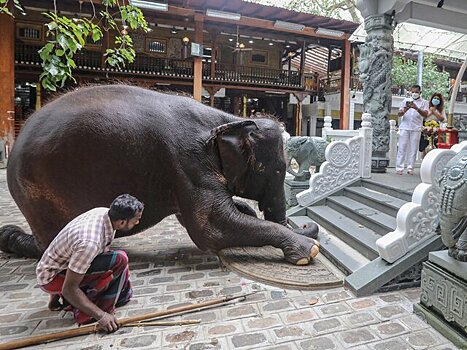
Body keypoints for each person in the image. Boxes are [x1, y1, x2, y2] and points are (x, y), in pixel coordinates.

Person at [36, 194, 144, 332]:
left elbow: (68, 256)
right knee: (119, 260)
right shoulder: (90, 242)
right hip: (52, 279)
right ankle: (86, 313)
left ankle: (76, 298)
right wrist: (101, 316)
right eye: (136, 220)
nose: (137, 223)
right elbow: (69, 289)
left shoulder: (104, 213)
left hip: (56, 268)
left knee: (113, 264)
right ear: (122, 222)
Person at [396, 84, 429, 175]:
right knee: (402, 148)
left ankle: (410, 168)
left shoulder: (424, 102)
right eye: (413, 92)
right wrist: (405, 110)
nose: (414, 93)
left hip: (416, 128)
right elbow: (399, 114)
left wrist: (416, 108)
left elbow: (426, 114)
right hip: (405, 127)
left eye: (416, 92)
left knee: (413, 149)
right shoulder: (405, 101)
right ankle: (399, 168)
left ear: (420, 92)